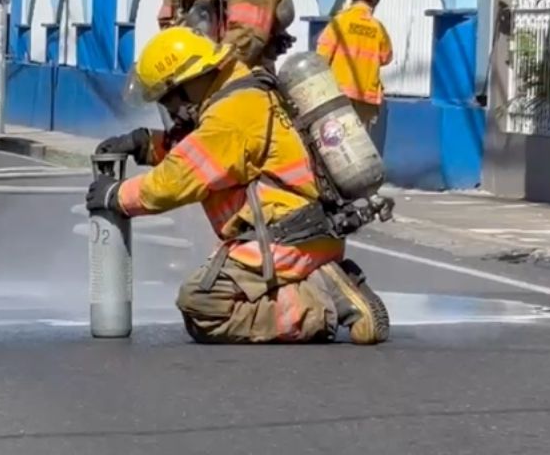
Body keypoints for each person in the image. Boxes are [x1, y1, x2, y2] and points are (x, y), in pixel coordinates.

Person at [89, 26, 389, 345]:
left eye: (167, 100)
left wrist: (116, 195)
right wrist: (147, 145)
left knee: (203, 305)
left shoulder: (230, 115)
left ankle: (326, 302)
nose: (170, 111)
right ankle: (326, 281)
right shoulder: (242, 90)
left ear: (186, 83)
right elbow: (214, 152)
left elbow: (176, 181)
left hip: (284, 240)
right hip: (306, 233)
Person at [316, 0, 393, 129]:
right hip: (366, 98)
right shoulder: (378, 27)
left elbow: (321, 57)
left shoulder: (339, 22)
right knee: (360, 143)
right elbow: (386, 58)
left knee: (337, 140)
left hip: (339, 94)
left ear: (352, 1)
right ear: (372, 4)